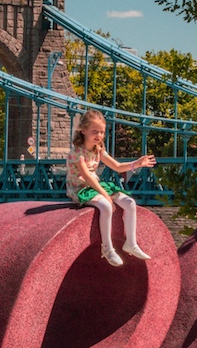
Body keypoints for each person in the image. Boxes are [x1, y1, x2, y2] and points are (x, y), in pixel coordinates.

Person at [66, 109, 158, 266]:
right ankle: (107, 249)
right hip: (80, 189)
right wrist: (106, 196)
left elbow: (117, 166)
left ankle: (131, 243)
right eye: (95, 131)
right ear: (83, 130)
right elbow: (87, 177)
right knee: (105, 206)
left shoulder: (98, 149)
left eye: (101, 132)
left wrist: (137, 163)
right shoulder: (77, 152)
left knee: (129, 203)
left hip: (95, 186)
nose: (99, 136)